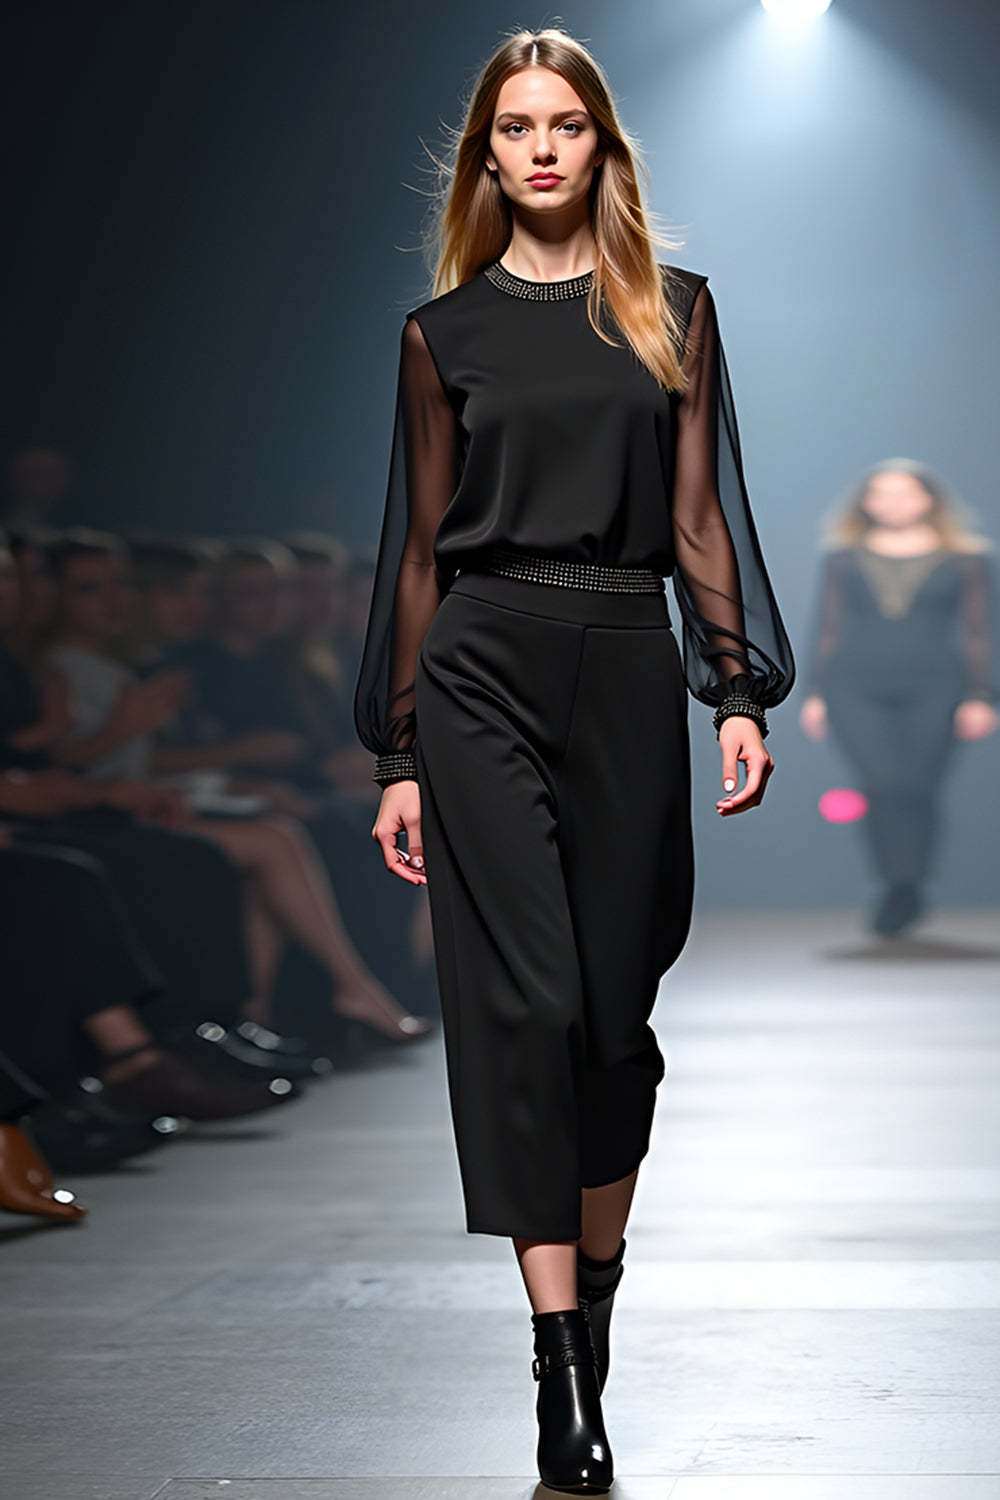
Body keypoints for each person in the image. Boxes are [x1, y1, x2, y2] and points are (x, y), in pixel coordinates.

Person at [352, 29, 795, 1493]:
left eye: (566, 125)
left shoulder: (674, 311)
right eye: (515, 127)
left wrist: (733, 690)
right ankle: (556, 1365)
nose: (541, 149)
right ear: (485, 155)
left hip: (621, 662)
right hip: (479, 665)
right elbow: (418, 552)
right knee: (526, 1008)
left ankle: (592, 1305)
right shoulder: (441, 335)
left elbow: (699, 515)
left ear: (602, 146)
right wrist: (400, 752)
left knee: (611, 1024)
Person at [799, 458, 998, 936]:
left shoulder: (966, 558)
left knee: (917, 785)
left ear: (930, 498)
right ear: (865, 502)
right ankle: (896, 882)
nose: (893, 503)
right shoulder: (842, 557)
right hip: (855, 685)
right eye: (881, 493)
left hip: (937, 685)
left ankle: (910, 882)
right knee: (881, 783)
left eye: (905, 492)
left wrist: (982, 693)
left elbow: (980, 630)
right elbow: (827, 627)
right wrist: (814, 691)